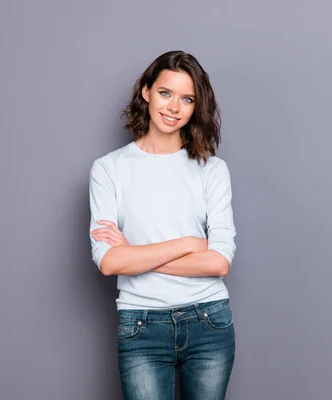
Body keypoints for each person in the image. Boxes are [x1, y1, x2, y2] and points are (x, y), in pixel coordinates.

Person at [88, 50, 237, 400]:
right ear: (146, 91)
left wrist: (134, 253)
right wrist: (187, 242)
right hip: (141, 325)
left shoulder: (212, 170)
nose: (173, 107)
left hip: (209, 321)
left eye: (187, 99)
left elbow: (218, 262)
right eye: (165, 93)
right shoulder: (109, 169)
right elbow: (110, 262)